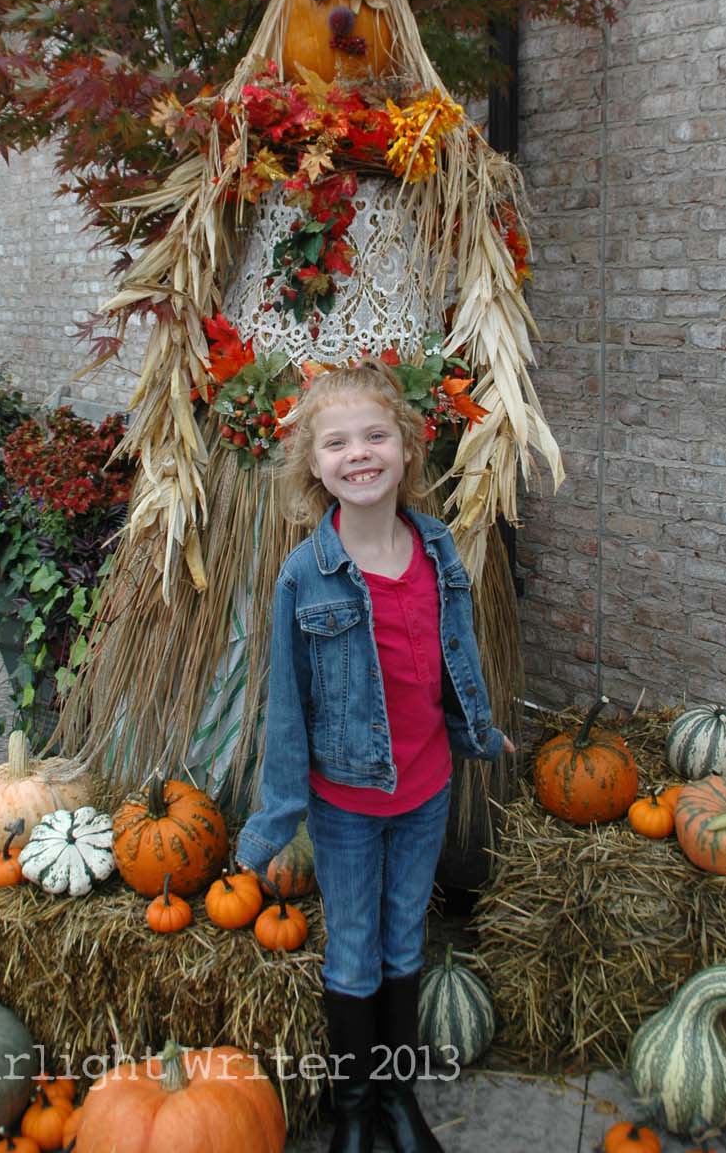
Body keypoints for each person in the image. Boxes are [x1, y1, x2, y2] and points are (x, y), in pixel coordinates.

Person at [235, 358, 515, 1153]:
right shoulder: (306, 575)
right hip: (348, 806)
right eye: (336, 443)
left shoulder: (436, 548)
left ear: (407, 448)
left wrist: (478, 730)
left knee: (405, 943)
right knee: (355, 951)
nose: (358, 453)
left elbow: (454, 654)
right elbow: (287, 705)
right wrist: (272, 823)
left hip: (426, 791)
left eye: (375, 436)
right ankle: (354, 1110)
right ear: (313, 464)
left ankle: (397, 1097)